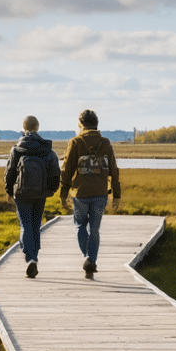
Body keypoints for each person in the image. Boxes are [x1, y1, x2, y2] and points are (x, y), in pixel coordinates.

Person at [58, 109, 121, 279]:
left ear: (80, 125)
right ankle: (91, 259)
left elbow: (66, 170)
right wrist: (117, 194)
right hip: (101, 192)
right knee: (95, 229)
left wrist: (63, 193)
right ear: (97, 124)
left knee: (80, 225)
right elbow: (113, 169)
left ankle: (87, 257)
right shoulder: (106, 143)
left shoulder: (76, 142)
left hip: (80, 192)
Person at [4, 115, 60, 278]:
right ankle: (34, 256)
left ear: (23, 128)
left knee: (25, 224)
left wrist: (9, 190)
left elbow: (10, 171)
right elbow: (55, 172)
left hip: (21, 193)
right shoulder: (47, 149)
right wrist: (51, 190)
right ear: (37, 128)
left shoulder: (17, 149)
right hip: (40, 192)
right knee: (36, 225)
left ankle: (30, 258)